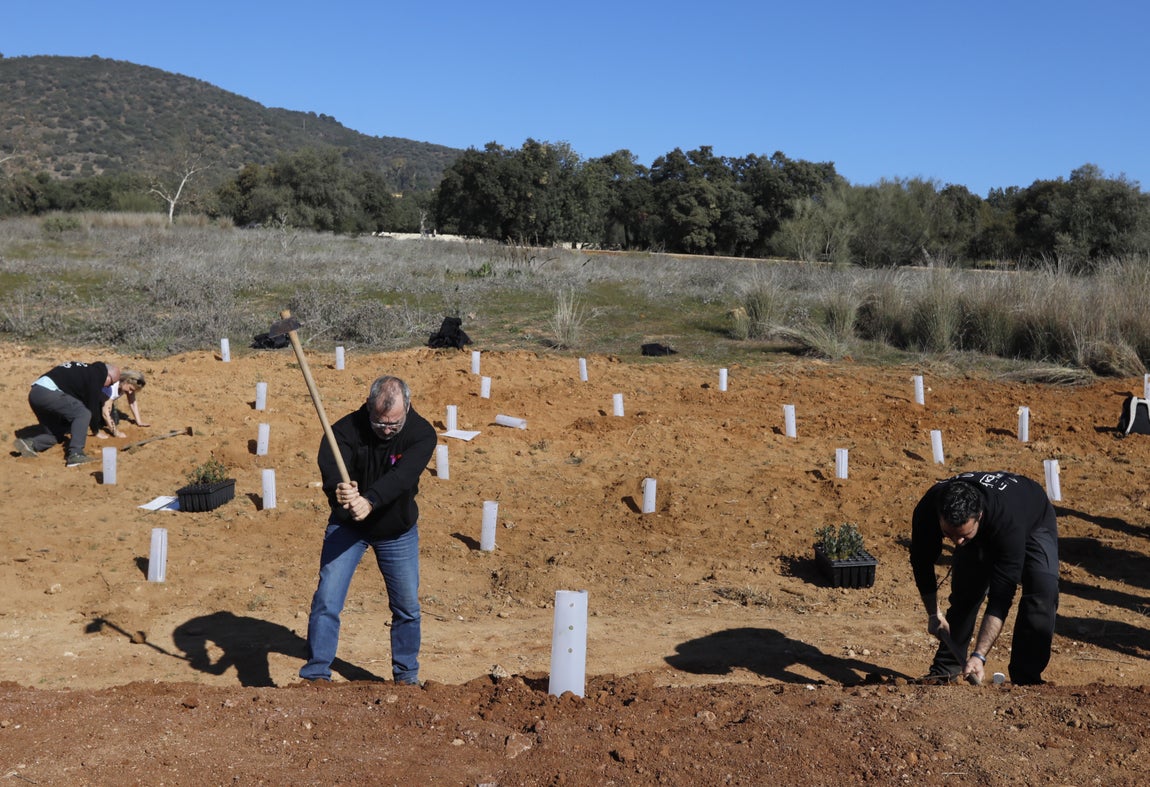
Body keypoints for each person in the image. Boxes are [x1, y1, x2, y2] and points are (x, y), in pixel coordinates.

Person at [300, 374, 437, 685]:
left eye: (393, 424)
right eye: (379, 423)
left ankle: (406, 677)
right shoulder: (343, 431)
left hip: (396, 531)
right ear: (368, 408)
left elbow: (403, 477)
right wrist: (339, 490)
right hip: (348, 528)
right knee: (327, 600)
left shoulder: (421, 434)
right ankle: (316, 674)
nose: (386, 430)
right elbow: (332, 466)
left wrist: (370, 500)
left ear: (408, 409)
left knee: (407, 607)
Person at [910, 471, 1059, 686]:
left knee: (1042, 590)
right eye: (948, 534)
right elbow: (921, 562)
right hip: (990, 522)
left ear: (978, 515)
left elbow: (1001, 596)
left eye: (964, 535)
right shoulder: (928, 509)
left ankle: (1026, 680)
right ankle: (944, 670)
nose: (956, 542)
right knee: (967, 591)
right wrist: (934, 613)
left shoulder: (1008, 522)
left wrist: (979, 656)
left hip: (1034, 519)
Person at [15, 361, 121, 466]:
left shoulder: (87, 370)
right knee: (83, 414)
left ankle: (31, 444)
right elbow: (91, 407)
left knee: (56, 434)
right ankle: (76, 455)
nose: (108, 387)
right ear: (108, 376)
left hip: (35, 394)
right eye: (111, 383)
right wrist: (96, 430)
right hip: (48, 393)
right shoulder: (97, 376)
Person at [98, 369, 151, 438]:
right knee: (98, 421)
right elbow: (105, 413)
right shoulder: (111, 388)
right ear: (126, 381)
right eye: (130, 389)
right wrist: (116, 433)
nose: (130, 393)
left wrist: (139, 421)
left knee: (115, 420)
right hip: (90, 399)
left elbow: (132, 402)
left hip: (103, 401)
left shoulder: (125, 386)